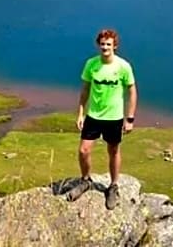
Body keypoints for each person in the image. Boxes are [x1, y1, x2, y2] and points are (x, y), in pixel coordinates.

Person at [65, 28, 137, 210]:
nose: (105, 47)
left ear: (115, 46)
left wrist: (130, 119)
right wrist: (81, 113)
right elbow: (85, 90)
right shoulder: (91, 64)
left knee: (113, 151)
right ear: (99, 45)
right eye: (103, 44)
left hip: (114, 117)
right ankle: (86, 180)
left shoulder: (123, 67)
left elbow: (132, 91)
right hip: (94, 116)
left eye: (109, 44)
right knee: (83, 150)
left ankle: (113, 186)